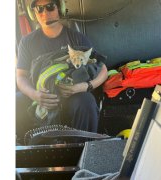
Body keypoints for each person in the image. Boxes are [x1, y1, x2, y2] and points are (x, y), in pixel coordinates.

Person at [16, 0, 108, 142]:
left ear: (59, 8)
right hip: (42, 98)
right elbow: (21, 76)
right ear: (33, 13)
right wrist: (34, 94)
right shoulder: (27, 42)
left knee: (86, 101)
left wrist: (84, 87)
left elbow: (103, 70)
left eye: (50, 7)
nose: (45, 13)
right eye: (39, 9)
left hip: (71, 97)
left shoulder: (77, 38)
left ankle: (83, 155)